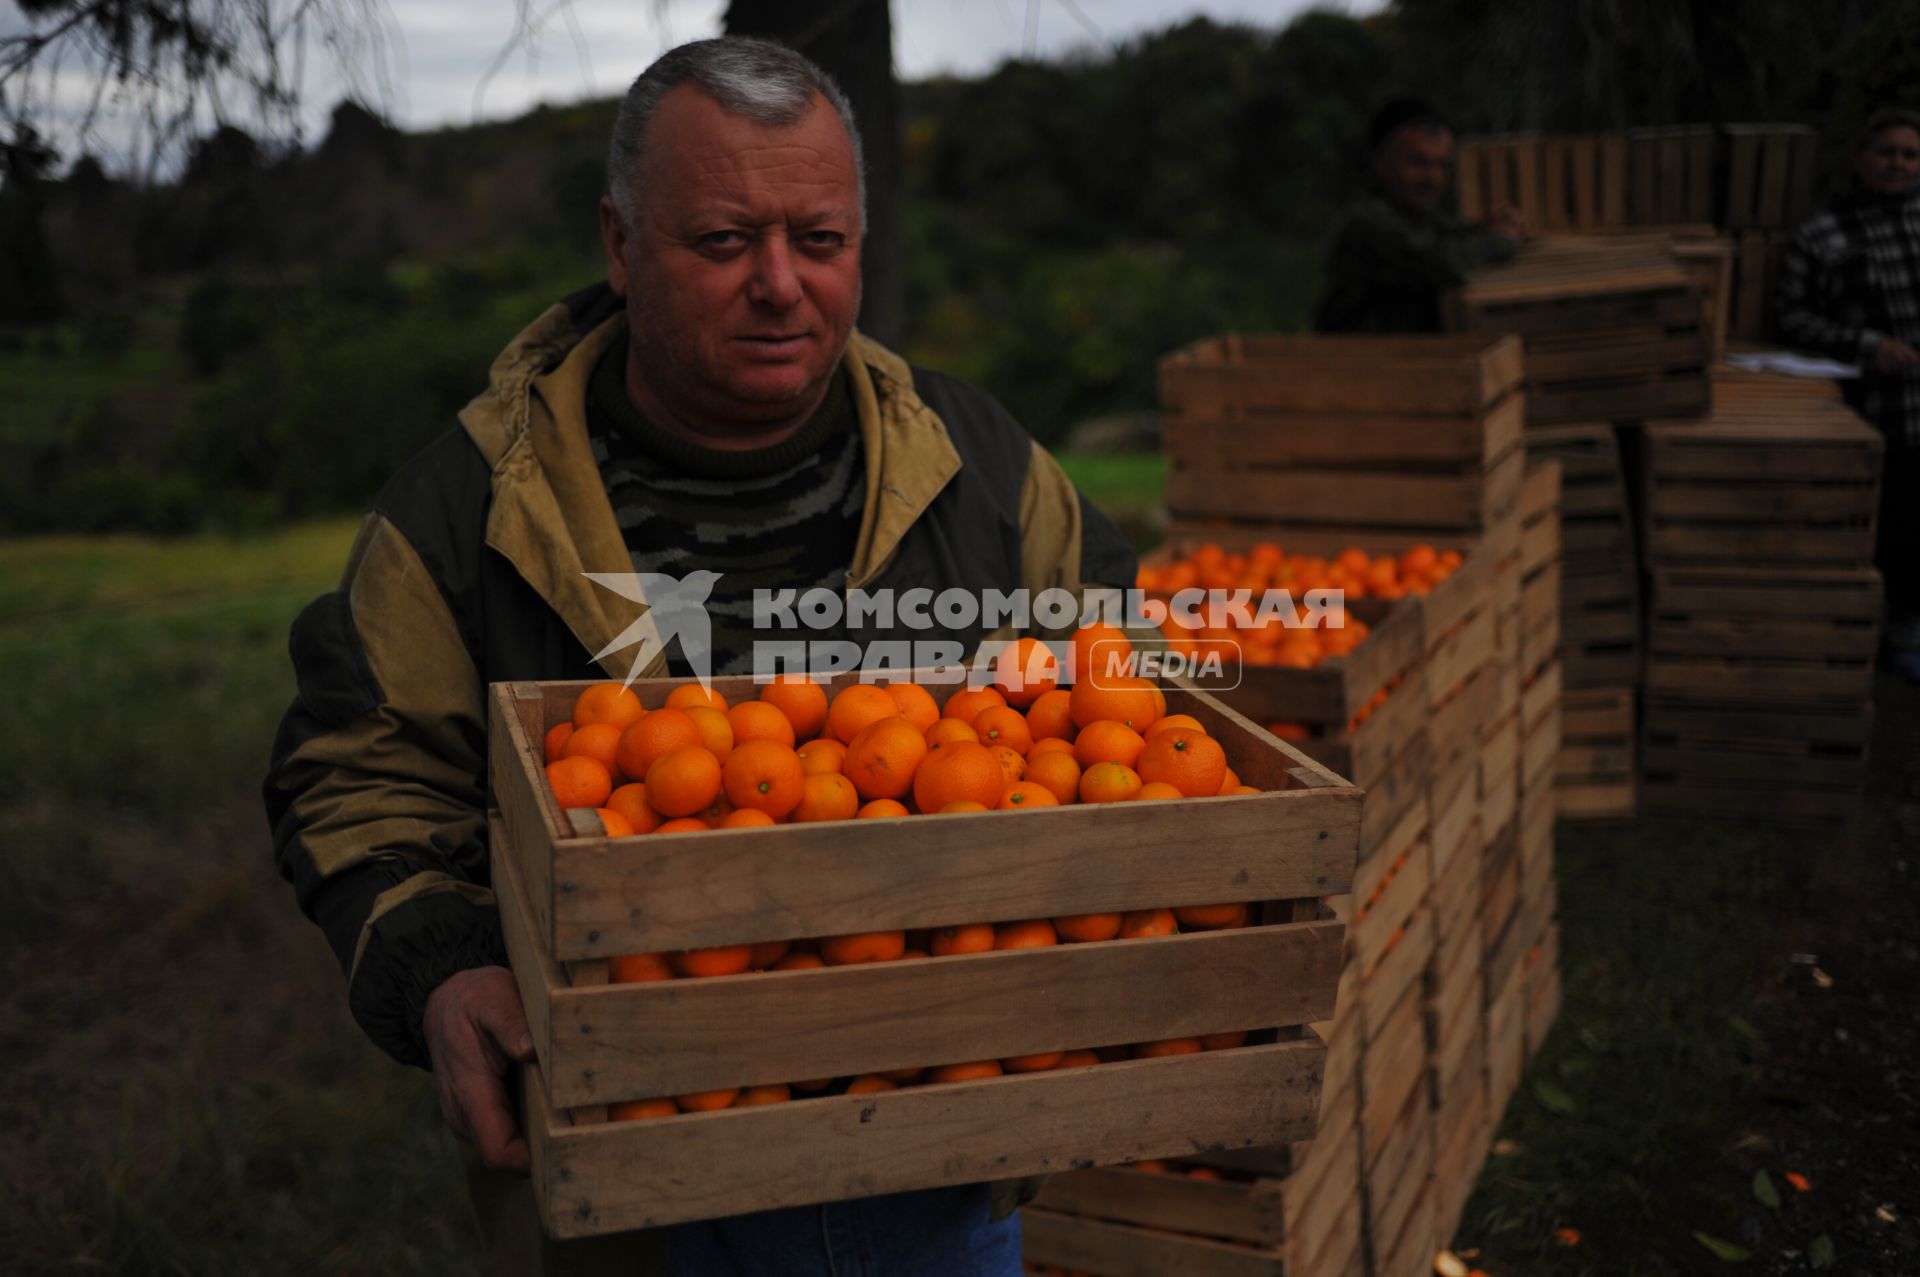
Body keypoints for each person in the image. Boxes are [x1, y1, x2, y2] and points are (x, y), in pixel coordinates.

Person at [262, 36, 1136, 1275]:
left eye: (819, 240)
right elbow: (359, 771)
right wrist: (440, 969)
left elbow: (1124, 671)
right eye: (724, 241)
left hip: (947, 1160)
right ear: (621, 246)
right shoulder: (469, 509)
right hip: (634, 1187)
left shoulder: (978, 466)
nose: (780, 283)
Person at [1774, 106, 1920, 675]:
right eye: (1887, 153)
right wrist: (1865, 345)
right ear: (1861, 159)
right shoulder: (1822, 232)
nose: (1898, 165)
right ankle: (1892, 633)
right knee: (1894, 524)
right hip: (1875, 409)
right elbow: (1790, 319)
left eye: (1910, 155)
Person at [1314, 96, 1530, 334]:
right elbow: (1439, 262)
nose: (1433, 178)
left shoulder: (1412, 214)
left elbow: (1446, 233)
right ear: (1383, 163)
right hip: (1368, 363)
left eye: (1442, 165)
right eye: (1418, 163)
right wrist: (1502, 241)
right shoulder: (1365, 224)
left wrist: (1487, 226)